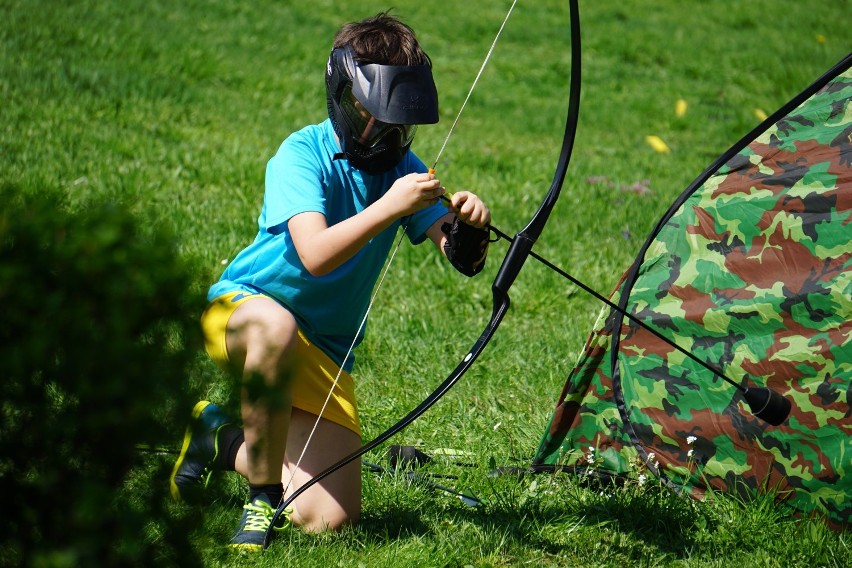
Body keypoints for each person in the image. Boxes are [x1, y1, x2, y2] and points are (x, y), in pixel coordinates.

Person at [168, 12, 492, 551]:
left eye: (398, 124)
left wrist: (470, 227)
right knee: (275, 325)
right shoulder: (300, 154)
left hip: (323, 352)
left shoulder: (401, 167)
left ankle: (219, 439)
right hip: (243, 314)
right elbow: (315, 255)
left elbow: (457, 252)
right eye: (372, 117)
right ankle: (263, 498)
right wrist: (389, 207)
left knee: (327, 518)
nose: (386, 135)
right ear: (343, 98)